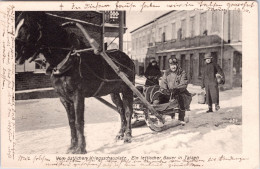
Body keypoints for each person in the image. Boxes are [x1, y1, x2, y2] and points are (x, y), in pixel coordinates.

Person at [158, 58, 192, 125]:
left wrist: (177, 89)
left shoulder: (181, 72)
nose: (173, 67)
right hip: (169, 91)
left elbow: (184, 83)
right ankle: (161, 117)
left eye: (174, 65)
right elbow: (163, 82)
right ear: (169, 65)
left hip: (180, 91)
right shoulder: (167, 73)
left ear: (177, 65)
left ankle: (181, 118)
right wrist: (164, 90)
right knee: (161, 99)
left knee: (181, 99)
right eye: (171, 65)